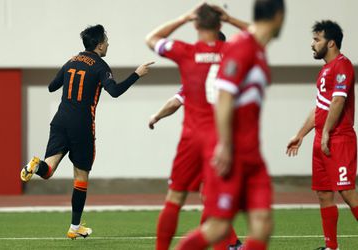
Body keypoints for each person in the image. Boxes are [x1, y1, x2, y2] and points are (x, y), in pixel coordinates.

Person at [20, 24, 153, 239]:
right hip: (81, 125)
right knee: (81, 177)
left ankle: (35, 165)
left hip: (60, 120)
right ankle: (74, 228)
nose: (108, 43)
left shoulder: (71, 60)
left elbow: (51, 87)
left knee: (48, 170)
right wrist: (136, 74)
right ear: (99, 45)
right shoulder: (101, 66)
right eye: (106, 41)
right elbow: (115, 91)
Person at [176, 0, 285, 249]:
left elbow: (258, 34)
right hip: (234, 154)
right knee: (218, 228)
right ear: (279, 16)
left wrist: (229, 19)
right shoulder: (241, 48)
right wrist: (224, 144)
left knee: (263, 224)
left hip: (253, 156)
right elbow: (224, 97)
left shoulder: (255, 47)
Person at [146, 3, 248, 250]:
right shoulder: (235, 52)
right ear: (220, 24)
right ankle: (229, 244)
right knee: (214, 201)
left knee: (175, 200)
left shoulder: (186, 51)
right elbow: (260, 34)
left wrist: (183, 17)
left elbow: (152, 38)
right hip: (221, 140)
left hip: (191, 138)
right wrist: (231, 18)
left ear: (196, 24)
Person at [286, 20, 358, 250]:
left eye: (317, 40)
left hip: (339, 138)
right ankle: (331, 247)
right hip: (322, 138)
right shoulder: (325, 70)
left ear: (331, 43)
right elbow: (320, 107)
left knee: (347, 192)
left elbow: (339, 101)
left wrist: (326, 132)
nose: (312, 45)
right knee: (324, 194)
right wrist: (301, 135)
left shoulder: (343, 66)